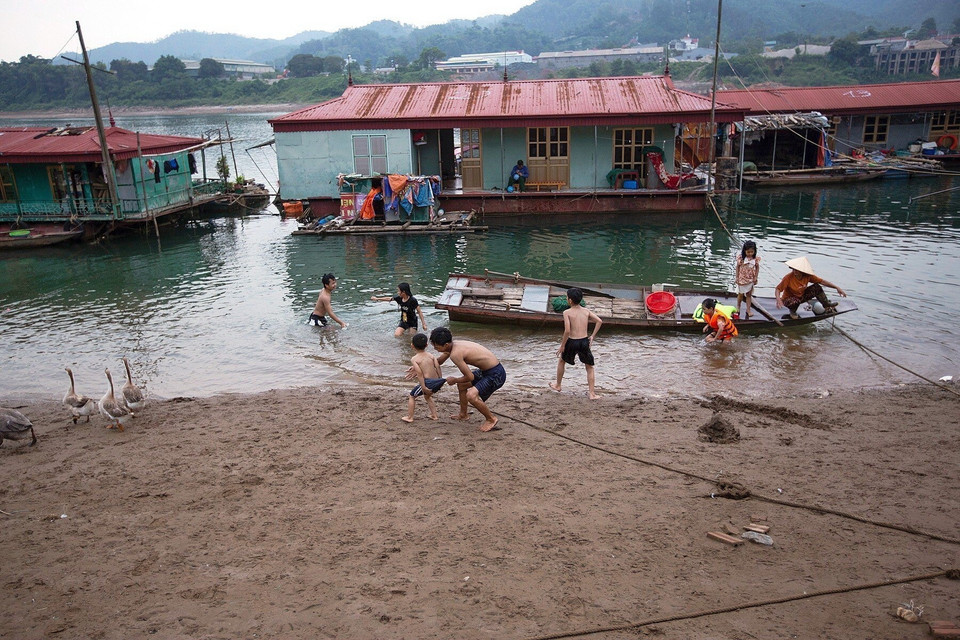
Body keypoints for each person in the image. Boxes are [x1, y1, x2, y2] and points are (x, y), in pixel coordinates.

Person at [429, 327, 506, 432]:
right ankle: (463, 414)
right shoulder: (452, 346)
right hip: (487, 371)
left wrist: (455, 379)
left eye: (436, 346)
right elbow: (439, 361)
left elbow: (470, 377)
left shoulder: (455, 354)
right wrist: (418, 367)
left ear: (446, 345)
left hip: (496, 374)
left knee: (471, 395)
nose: (435, 349)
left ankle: (491, 419)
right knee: (462, 385)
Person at [549, 288, 602, 399]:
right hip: (584, 341)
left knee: (562, 361)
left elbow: (567, 330)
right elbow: (599, 321)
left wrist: (562, 345)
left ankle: (558, 385)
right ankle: (592, 393)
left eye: (567, 297)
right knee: (589, 367)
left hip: (572, 341)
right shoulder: (586, 311)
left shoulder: (567, 312)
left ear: (570, 300)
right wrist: (592, 336)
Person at [775, 256, 846, 320]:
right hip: (789, 300)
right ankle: (792, 312)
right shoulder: (788, 277)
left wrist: (836, 287)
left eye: (797, 270)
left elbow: (822, 281)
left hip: (801, 297)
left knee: (816, 287)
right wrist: (779, 300)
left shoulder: (808, 276)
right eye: (793, 269)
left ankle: (826, 305)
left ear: (802, 271)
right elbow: (778, 289)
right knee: (795, 301)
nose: (795, 272)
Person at [404, 333, 443, 423]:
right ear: (426, 345)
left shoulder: (414, 359)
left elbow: (419, 373)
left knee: (412, 396)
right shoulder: (431, 355)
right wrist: (440, 380)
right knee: (427, 397)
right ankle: (434, 415)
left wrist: (423, 387)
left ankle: (410, 417)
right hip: (437, 381)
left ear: (412, 345)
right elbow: (438, 367)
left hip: (427, 382)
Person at [735, 240, 761, 318]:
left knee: (749, 295)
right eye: (748, 252)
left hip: (750, 279)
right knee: (740, 294)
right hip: (742, 279)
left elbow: (757, 267)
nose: (750, 254)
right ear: (745, 251)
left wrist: (756, 277)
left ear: (754, 251)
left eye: (752, 252)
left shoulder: (755, 259)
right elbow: (737, 267)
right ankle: (738, 307)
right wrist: (737, 277)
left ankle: (748, 309)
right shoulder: (741, 258)